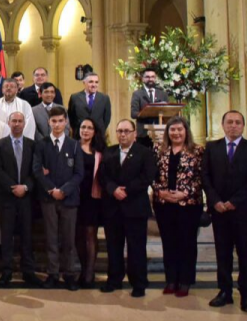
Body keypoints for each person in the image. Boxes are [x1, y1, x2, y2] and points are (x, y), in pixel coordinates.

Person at [202, 110, 247, 312]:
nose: (233, 125)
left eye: (237, 122)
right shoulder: (212, 147)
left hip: (242, 211)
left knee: (245, 253)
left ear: (243, 126)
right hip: (219, 210)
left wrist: (234, 201)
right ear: (223, 125)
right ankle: (224, 291)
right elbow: (205, 177)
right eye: (229, 122)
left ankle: (246, 293)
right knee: (223, 253)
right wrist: (216, 201)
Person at [98, 119, 156, 297]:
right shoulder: (109, 151)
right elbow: (102, 175)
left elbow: (147, 176)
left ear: (134, 133)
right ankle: (114, 279)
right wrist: (113, 189)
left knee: (136, 247)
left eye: (126, 131)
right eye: (120, 131)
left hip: (135, 206)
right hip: (113, 207)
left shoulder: (145, 153)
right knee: (113, 246)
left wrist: (126, 190)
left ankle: (138, 283)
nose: (122, 134)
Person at [32, 106, 84, 290]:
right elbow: (37, 170)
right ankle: (53, 273)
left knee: (69, 239)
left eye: (61, 121)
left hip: (69, 200)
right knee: (51, 238)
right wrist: (51, 189)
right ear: (48, 122)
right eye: (54, 121)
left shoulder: (75, 145)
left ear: (66, 122)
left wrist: (64, 190)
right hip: (48, 199)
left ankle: (69, 274)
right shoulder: (41, 144)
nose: (57, 124)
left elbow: (79, 173)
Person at [152, 116, 204, 298]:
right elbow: (152, 174)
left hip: (188, 205)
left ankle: (185, 280)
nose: (176, 133)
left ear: (186, 131)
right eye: (172, 130)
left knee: (187, 243)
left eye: (179, 129)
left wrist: (186, 192)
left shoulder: (197, 151)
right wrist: (160, 191)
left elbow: (201, 177)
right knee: (169, 242)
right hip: (164, 204)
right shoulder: (159, 149)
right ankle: (171, 279)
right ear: (167, 132)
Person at [0, 112, 38, 287]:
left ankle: (28, 271)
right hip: (7, 197)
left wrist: (25, 187)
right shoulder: (1, 145)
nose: (17, 124)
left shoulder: (32, 145)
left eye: (20, 121)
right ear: (8, 123)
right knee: (6, 236)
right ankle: (7, 271)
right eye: (14, 121)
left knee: (27, 236)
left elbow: (36, 169)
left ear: (24, 123)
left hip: (26, 198)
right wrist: (13, 187)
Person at [76, 118, 106, 289]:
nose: (85, 130)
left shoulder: (100, 151)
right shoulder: (71, 147)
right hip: (75, 197)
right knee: (78, 236)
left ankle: (89, 272)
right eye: (83, 127)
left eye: (89, 128)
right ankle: (83, 268)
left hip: (93, 197)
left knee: (90, 235)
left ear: (95, 132)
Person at [130, 69, 169, 147]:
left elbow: (168, 112)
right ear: (143, 79)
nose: (150, 79)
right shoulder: (137, 94)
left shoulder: (163, 94)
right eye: (147, 77)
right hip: (143, 134)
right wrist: (148, 112)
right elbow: (133, 113)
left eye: (152, 77)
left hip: (160, 133)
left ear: (155, 78)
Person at [68, 72, 111, 137]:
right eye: (91, 82)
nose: (94, 85)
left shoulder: (105, 98)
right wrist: (77, 129)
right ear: (84, 83)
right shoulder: (75, 97)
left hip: (98, 136)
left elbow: (107, 118)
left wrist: (99, 130)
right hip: (79, 136)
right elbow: (71, 117)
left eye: (96, 82)